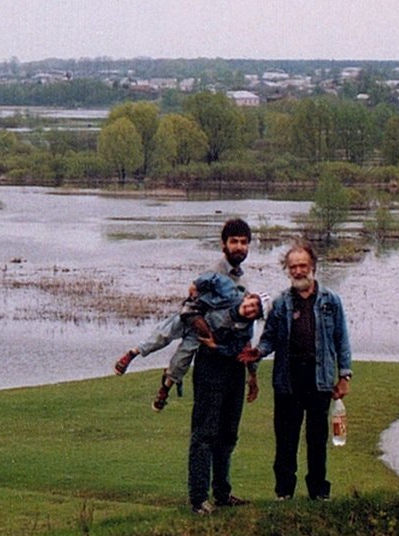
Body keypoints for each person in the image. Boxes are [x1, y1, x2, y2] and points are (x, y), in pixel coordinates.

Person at [257, 239, 352, 502]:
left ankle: (319, 492)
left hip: (319, 379)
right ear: (287, 270)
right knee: (286, 438)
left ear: (313, 267)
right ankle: (284, 492)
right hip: (288, 380)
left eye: (303, 266)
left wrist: (344, 376)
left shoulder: (332, 301)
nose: (298, 271)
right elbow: (268, 339)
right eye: (293, 267)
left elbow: (341, 340)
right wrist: (256, 354)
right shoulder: (280, 303)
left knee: (317, 438)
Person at [184, 217, 261, 515]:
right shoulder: (211, 276)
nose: (239, 247)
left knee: (228, 432)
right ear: (224, 244)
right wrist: (210, 336)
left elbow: (247, 329)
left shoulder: (243, 281)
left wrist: (252, 374)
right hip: (210, 364)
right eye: (234, 242)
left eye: (244, 242)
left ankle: (222, 493)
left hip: (235, 365)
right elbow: (188, 312)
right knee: (205, 433)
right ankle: (197, 498)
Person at [113, 279, 263, 412]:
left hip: (201, 335)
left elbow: (237, 348)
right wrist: (196, 284)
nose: (250, 309)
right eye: (252, 305)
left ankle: (164, 389)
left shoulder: (245, 329)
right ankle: (132, 354)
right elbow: (212, 279)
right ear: (247, 298)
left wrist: (215, 346)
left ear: (255, 318)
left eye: (254, 312)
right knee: (161, 336)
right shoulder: (231, 294)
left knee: (181, 361)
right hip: (192, 316)